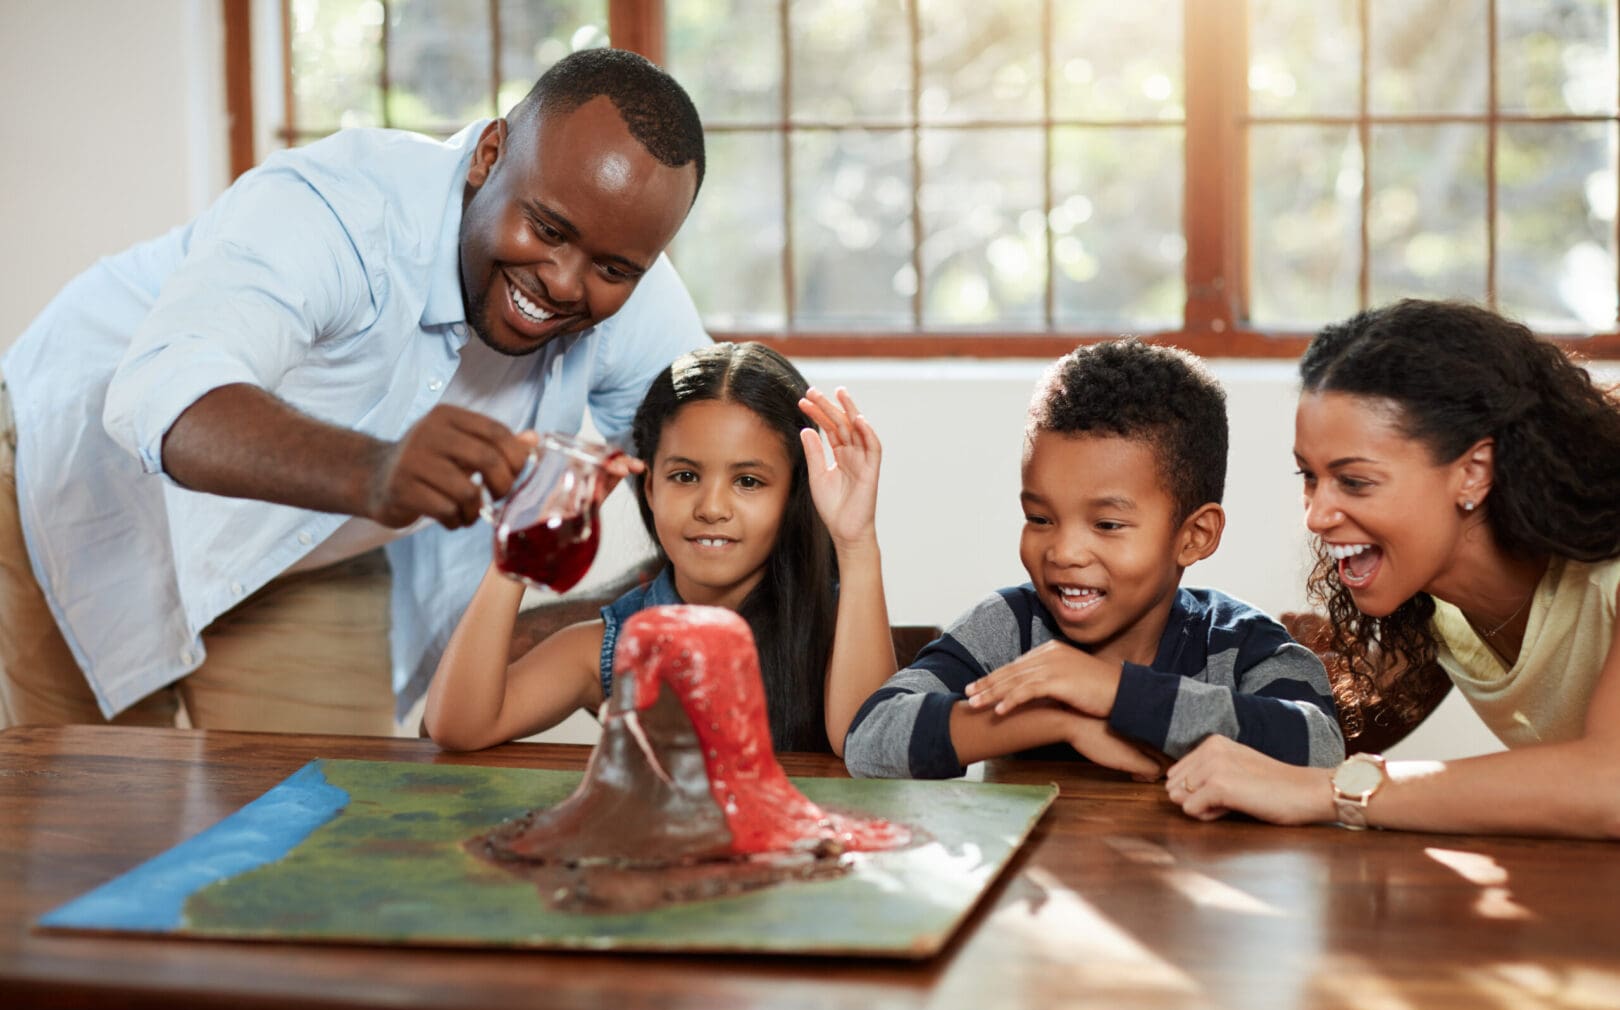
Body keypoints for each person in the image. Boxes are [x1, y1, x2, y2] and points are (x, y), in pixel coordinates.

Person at [0, 49, 711, 735]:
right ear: (488, 155)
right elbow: (163, 391)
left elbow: (732, 476)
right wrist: (374, 470)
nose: (563, 281)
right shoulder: (341, 210)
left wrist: (577, 627)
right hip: (88, 489)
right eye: (546, 228)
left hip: (313, 547)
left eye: (612, 269)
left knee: (321, 819)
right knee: (98, 823)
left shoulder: (631, 288)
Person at [1168, 300, 1620, 839]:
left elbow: (1608, 784)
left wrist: (1332, 792)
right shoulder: (1432, 604)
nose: (1316, 516)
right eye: (1309, 477)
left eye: (1354, 482)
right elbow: (1309, 738)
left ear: (1473, 472)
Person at [843, 339, 1343, 780]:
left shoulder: (1239, 645)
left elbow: (1321, 748)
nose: (1063, 552)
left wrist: (1117, 692)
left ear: (1194, 536)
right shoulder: (1009, 629)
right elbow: (869, 738)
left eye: (1106, 525)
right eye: (1040, 518)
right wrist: (1060, 716)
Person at [423, 341, 896, 754]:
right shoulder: (613, 645)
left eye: (748, 481)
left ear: (795, 494)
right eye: (685, 476)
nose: (711, 507)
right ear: (649, 489)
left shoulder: (839, 629)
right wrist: (520, 540)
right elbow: (456, 727)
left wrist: (856, 543)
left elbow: (872, 744)